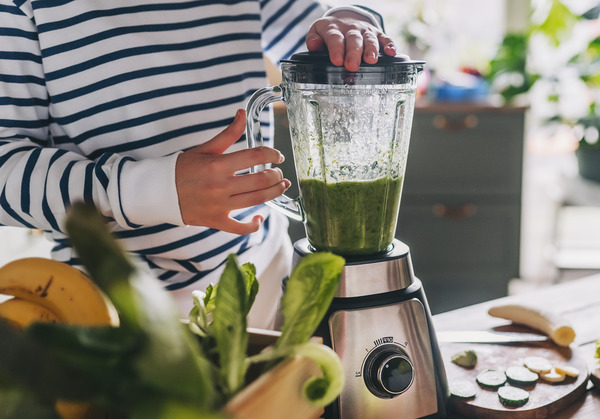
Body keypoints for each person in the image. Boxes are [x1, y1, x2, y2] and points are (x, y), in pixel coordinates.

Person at [0, 1, 397, 328]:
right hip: (111, 302)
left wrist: (352, 24)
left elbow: (322, 37)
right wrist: (149, 190)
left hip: (266, 275)